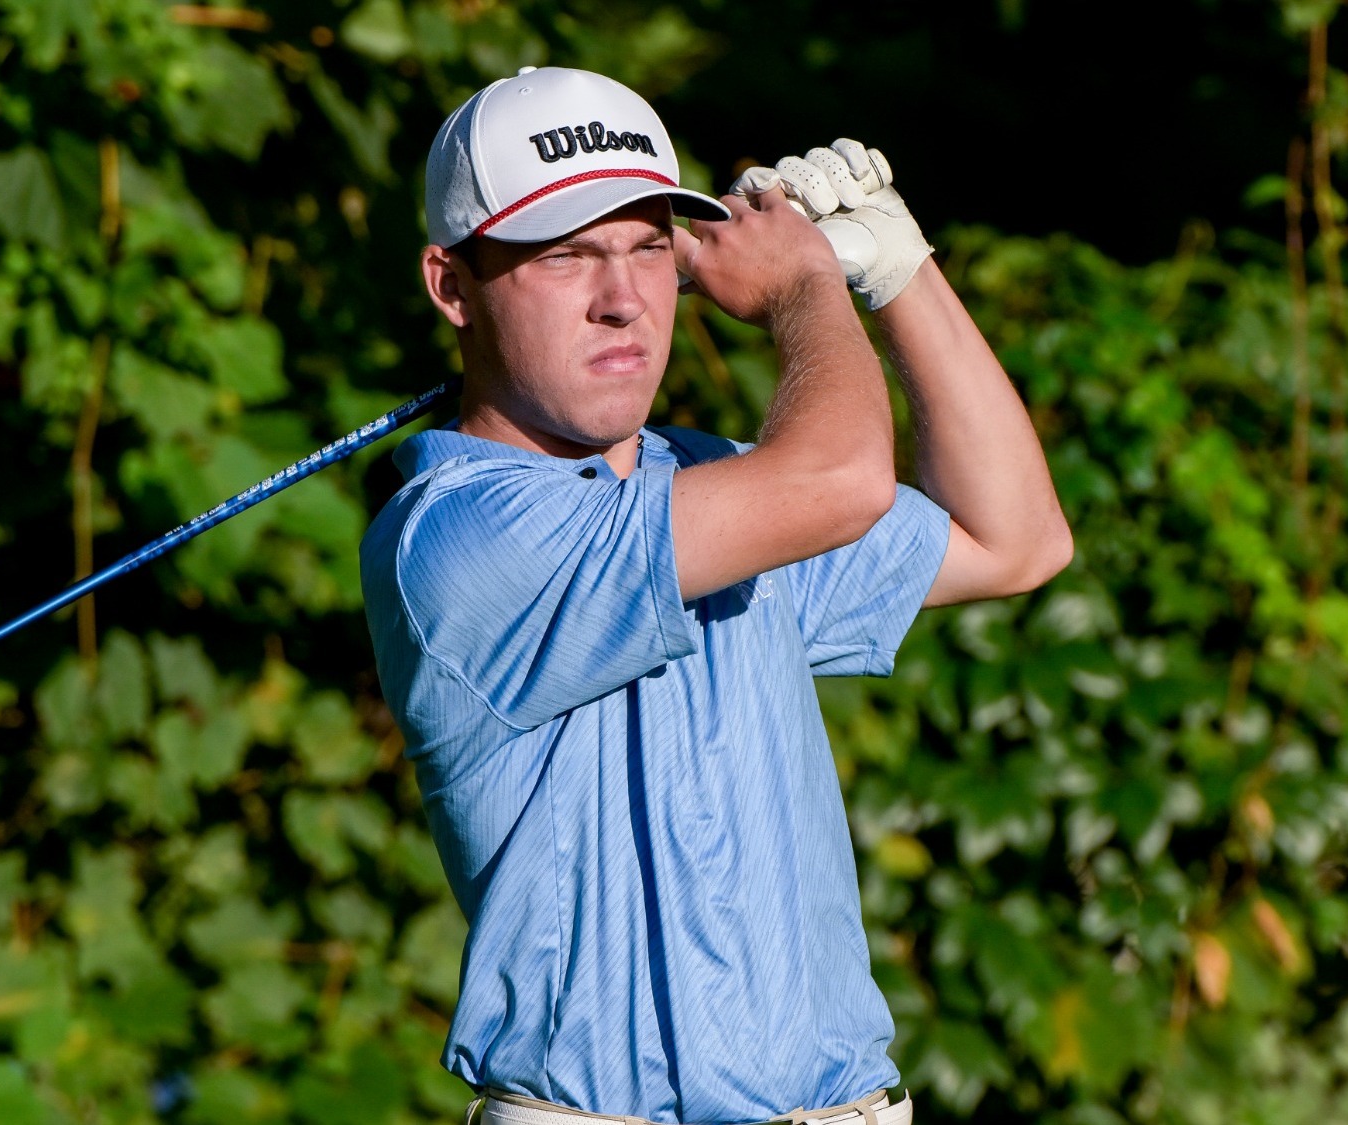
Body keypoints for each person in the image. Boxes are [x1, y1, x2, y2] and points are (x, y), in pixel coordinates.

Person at [359, 67, 1072, 1125]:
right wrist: (801, 290)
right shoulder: (456, 535)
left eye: (649, 246)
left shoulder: (714, 485)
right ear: (451, 286)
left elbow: (1013, 539)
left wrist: (899, 271)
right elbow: (834, 482)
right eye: (564, 255)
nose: (620, 297)